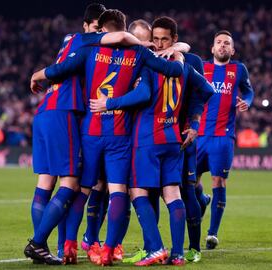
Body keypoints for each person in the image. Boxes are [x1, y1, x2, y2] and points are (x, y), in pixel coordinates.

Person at [28, 9, 185, 266]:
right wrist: (178, 56)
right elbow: (171, 71)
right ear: (125, 29)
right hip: (120, 133)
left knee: (82, 188)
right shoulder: (140, 53)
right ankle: (110, 249)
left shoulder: (89, 48)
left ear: (102, 30)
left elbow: (62, 69)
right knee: (117, 192)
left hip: (90, 129)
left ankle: (68, 245)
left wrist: (38, 74)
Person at [90, 16, 214, 266]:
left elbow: (143, 94)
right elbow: (208, 90)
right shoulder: (185, 65)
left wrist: (108, 103)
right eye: (154, 39)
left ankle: (156, 247)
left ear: (173, 39)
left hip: (148, 139)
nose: (157, 44)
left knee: (136, 191)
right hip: (172, 139)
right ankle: (178, 254)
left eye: (163, 39)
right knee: (172, 194)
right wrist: (192, 121)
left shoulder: (149, 64)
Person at [196, 30, 254, 249]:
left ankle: (212, 233)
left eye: (226, 43)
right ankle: (202, 200)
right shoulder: (200, 67)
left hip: (223, 137)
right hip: (199, 135)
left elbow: (248, 92)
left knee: (219, 181)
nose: (222, 46)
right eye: (218, 42)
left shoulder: (239, 69)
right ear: (212, 48)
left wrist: (247, 101)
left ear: (232, 50)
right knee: (189, 183)